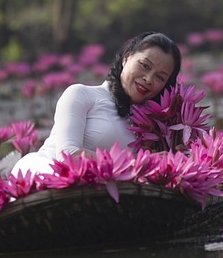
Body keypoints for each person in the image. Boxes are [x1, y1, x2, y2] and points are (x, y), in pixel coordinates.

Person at [10, 32, 182, 176]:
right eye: (144, 65)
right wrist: (137, 163)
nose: (148, 79)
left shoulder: (151, 126)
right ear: (126, 57)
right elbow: (67, 155)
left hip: (104, 191)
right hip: (48, 173)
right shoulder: (81, 94)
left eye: (160, 77)